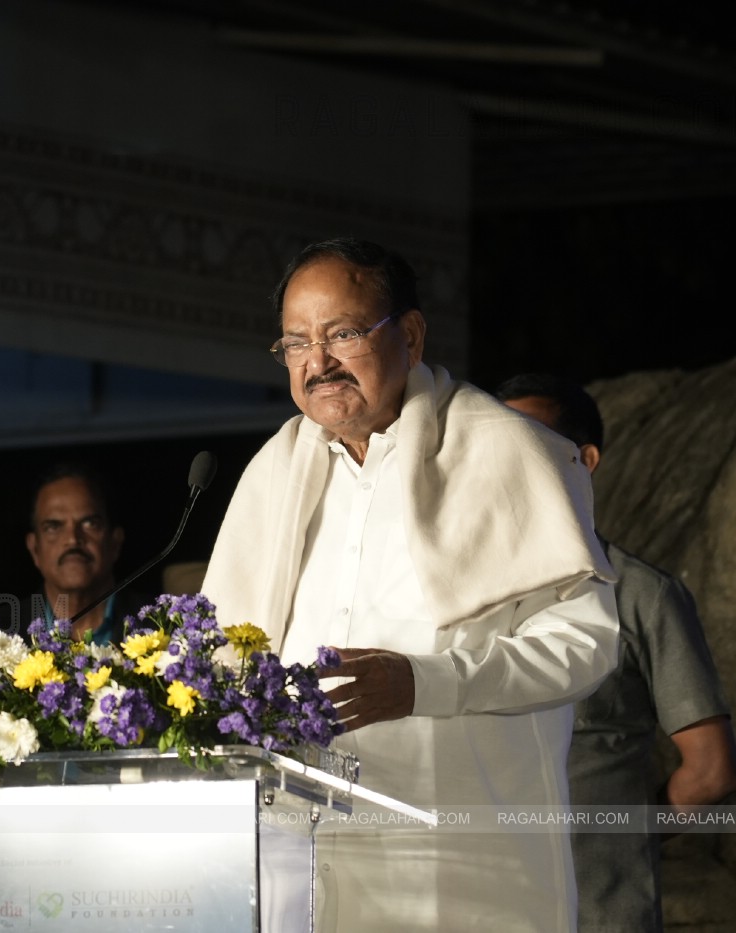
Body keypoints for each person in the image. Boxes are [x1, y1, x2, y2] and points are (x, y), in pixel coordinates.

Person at [201, 237, 622, 932]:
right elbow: (219, 658)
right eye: (296, 343)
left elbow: (585, 642)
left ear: (412, 333)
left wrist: (428, 682)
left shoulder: (509, 450)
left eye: (342, 334)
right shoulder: (270, 474)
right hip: (297, 865)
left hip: (463, 865)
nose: (319, 363)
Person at [497, 373, 736, 933]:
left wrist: (617, 832)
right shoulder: (462, 594)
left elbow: (712, 768)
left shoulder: (642, 596)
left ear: (583, 459)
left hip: (600, 912)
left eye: (529, 440)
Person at [24, 464, 142, 644]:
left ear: (115, 543)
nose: (72, 539)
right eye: (54, 527)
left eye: (89, 524)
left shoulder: (163, 626)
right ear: (34, 549)